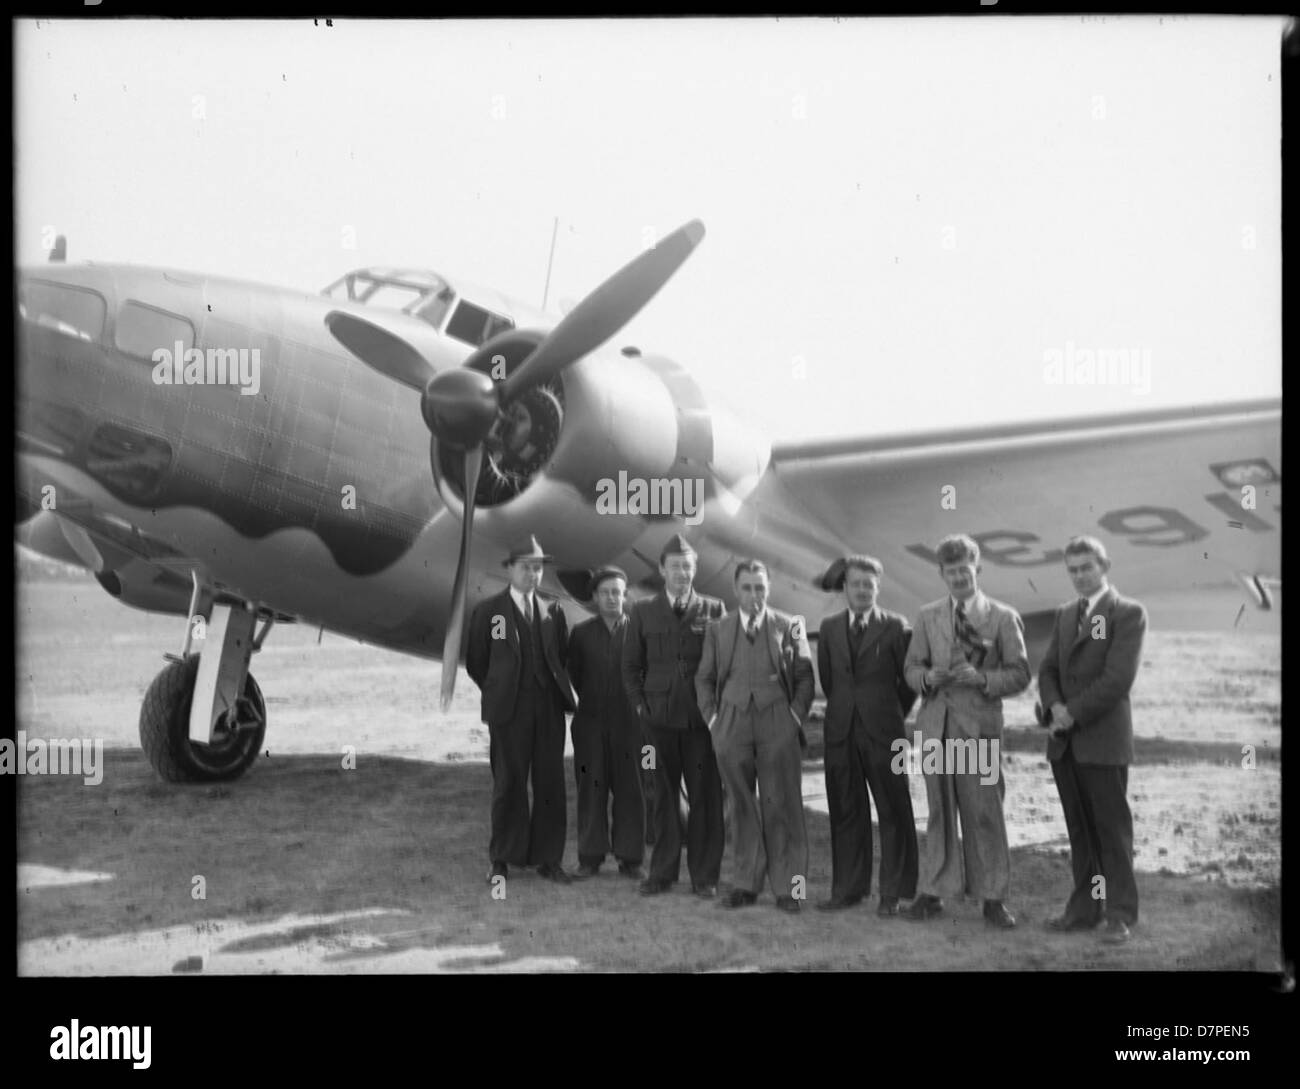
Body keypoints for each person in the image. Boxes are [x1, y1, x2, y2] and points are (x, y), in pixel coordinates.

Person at [902, 533, 1029, 928]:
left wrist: (983, 679)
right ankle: (934, 891)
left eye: (965, 569)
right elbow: (910, 669)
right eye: (951, 571)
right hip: (937, 725)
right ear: (941, 573)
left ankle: (992, 898)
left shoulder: (1003, 617)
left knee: (985, 811)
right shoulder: (928, 616)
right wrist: (925, 677)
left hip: (979, 730)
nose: (959, 577)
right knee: (939, 810)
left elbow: (1021, 672)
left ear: (978, 568)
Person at [1038, 536, 1147, 944]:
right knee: (1080, 831)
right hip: (1065, 743)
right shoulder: (1066, 614)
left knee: (1111, 831)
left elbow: (1117, 679)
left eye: (1087, 567)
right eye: (1073, 569)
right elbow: (1047, 670)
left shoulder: (1128, 613)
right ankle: (1085, 908)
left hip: (1101, 741)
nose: (1080, 576)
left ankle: (1120, 913)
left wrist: (1071, 713)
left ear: (1105, 566)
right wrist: (1052, 708)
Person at [697, 560, 814, 913]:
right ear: (736, 590)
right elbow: (704, 678)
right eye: (747, 588)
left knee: (784, 804)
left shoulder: (790, 625)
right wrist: (714, 721)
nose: (754, 595)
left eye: (760, 587)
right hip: (731, 724)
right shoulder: (718, 629)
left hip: (778, 721)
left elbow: (806, 677)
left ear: (769, 588)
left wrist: (793, 717)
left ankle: (790, 888)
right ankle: (745, 884)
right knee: (740, 805)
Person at [466, 535, 578, 885]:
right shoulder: (489, 613)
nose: (532, 574)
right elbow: (477, 663)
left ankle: (549, 859)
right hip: (508, 712)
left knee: (550, 784)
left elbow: (558, 656)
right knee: (508, 783)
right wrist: (501, 690)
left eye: (538, 568)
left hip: (547, 710)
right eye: (526, 567)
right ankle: (502, 858)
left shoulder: (552, 612)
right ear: (510, 569)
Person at [622, 533, 726, 898]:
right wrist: (640, 706)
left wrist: (716, 713)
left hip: (700, 723)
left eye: (688, 566)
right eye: (675, 566)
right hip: (659, 722)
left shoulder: (713, 610)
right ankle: (662, 873)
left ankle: (705, 877)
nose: (682, 573)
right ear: (662, 570)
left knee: (706, 799)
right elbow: (631, 665)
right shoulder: (643, 611)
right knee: (662, 798)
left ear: (695, 570)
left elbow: (723, 667)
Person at [816, 555, 919, 916]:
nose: (861, 590)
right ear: (844, 587)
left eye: (868, 584)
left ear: (878, 588)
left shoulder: (895, 626)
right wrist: (849, 709)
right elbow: (829, 680)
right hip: (841, 730)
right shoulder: (829, 628)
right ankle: (848, 889)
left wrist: (889, 715)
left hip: (884, 732)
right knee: (845, 809)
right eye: (855, 583)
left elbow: (908, 684)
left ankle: (892, 892)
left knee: (892, 809)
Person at [567, 566, 645, 879]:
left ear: (625, 596)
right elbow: (575, 673)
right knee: (591, 788)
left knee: (631, 789)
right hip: (591, 724)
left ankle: (630, 859)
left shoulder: (639, 633)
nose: (612, 598)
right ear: (596, 598)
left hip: (630, 725)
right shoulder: (582, 634)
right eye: (605, 593)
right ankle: (590, 857)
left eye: (617, 592)